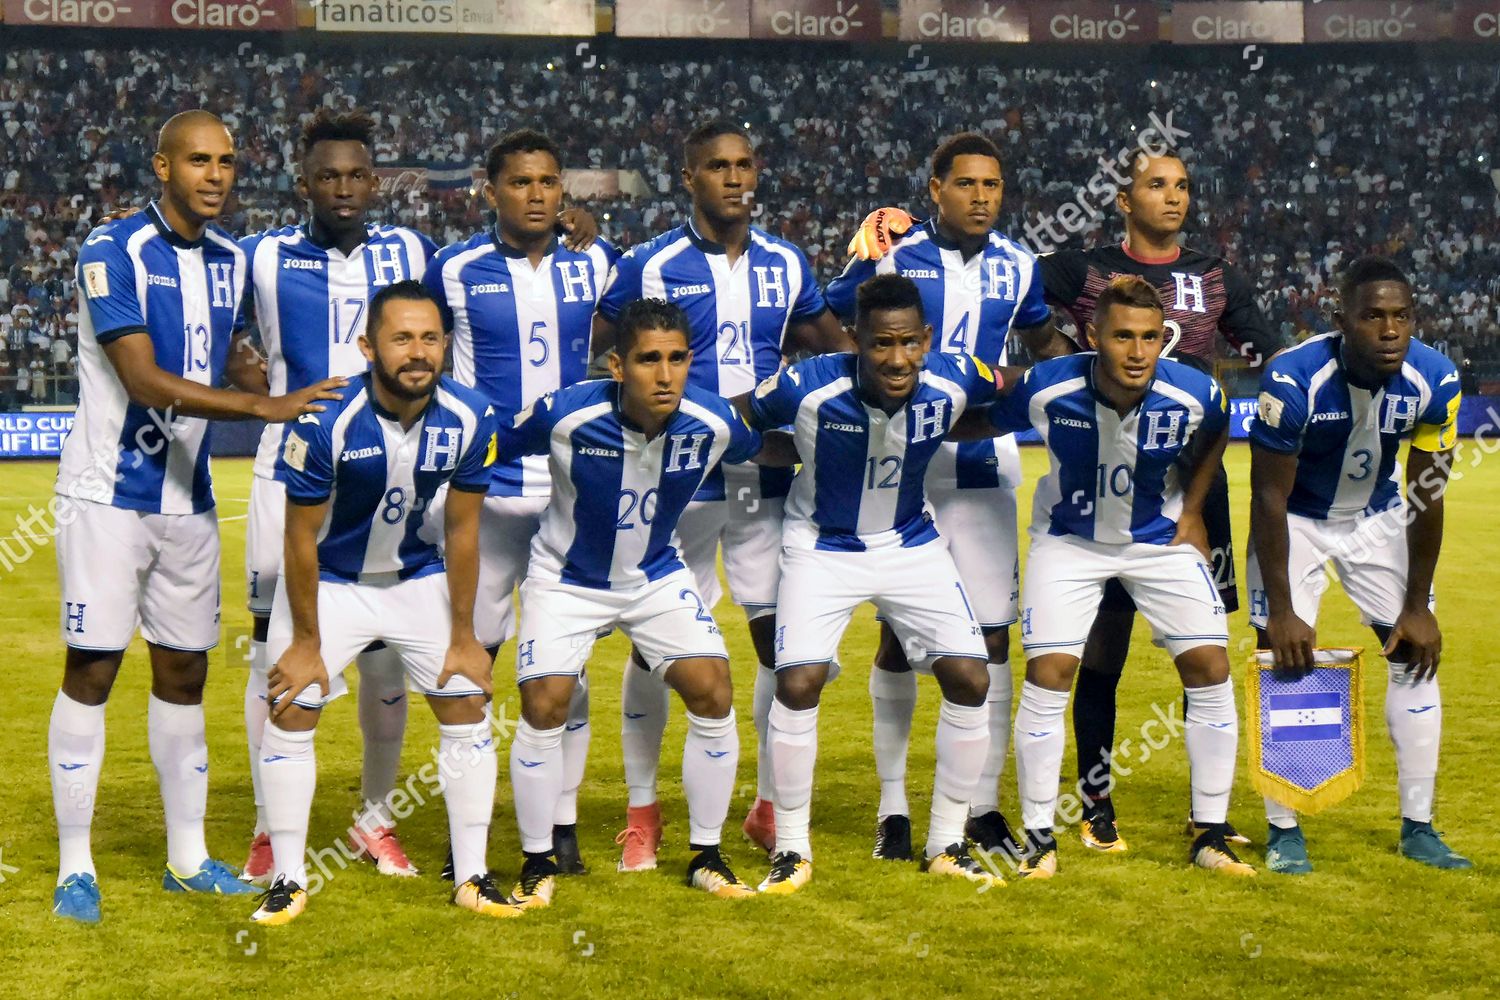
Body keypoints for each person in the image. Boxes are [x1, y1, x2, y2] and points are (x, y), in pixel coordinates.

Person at [50, 110, 343, 924]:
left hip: (191, 501)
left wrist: (275, 374)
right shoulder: (112, 251)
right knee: (94, 670)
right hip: (108, 498)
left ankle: (187, 858)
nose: (216, 176)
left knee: (185, 675)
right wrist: (263, 402)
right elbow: (143, 377)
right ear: (163, 166)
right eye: (199, 161)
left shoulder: (230, 260)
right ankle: (77, 866)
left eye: (227, 162)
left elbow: (228, 347)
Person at [592, 119, 848, 869]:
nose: (734, 179)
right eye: (717, 167)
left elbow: (834, 354)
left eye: (744, 165)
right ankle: (644, 812)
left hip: (766, 482)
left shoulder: (787, 263)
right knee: (654, 647)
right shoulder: (650, 263)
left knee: (778, 642)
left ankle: (766, 806)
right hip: (681, 486)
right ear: (689, 177)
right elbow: (608, 355)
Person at [500, 298, 796, 911]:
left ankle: (707, 854)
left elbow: (757, 448)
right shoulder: (566, 415)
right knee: (545, 701)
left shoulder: (713, 422)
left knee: (713, 688)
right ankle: (536, 861)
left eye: (677, 359)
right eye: (648, 360)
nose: (664, 375)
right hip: (567, 578)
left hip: (655, 576)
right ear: (617, 365)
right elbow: (491, 445)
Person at [951, 275, 1249, 879]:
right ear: (1091, 336)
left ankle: (1210, 832)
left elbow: (1216, 430)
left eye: (1150, 337)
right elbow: (979, 420)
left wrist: (1192, 512)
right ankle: (1040, 838)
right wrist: (914, 427)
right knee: (1050, 672)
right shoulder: (1046, 386)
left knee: (1209, 666)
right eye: (1122, 337)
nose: (1139, 352)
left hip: (1158, 542)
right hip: (1069, 543)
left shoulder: (1195, 392)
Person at [829, 132, 1057, 861]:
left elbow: (1045, 341)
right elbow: (838, 315)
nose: (982, 197)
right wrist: (861, 250)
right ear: (935, 189)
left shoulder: (1020, 265)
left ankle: (983, 806)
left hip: (985, 467)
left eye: (992, 184)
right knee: (900, 638)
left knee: (992, 638)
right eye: (966, 184)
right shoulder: (894, 255)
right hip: (906, 468)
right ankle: (894, 809)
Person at [250, 281, 505, 924]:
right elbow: (299, 537)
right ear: (368, 346)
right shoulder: (324, 420)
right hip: (331, 583)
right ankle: (286, 877)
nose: (417, 352)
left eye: (429, 338)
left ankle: (473, 875)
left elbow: (464, 530)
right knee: (292, 705)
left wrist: (465, 634)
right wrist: (307, 645)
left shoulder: (473, 417)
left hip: (416, 580)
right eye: (401, 338)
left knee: (467, 699)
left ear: (445, 345)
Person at [742, 274, 1007, 894]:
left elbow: (1013, 394)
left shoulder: (954, 375)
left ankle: (946, 841)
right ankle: (792, 848)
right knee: (798, 681)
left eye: (909, 343)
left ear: (928, 338)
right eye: (881, 344)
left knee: (971, 678)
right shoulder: (807, 386)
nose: (897, 359)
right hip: (821, 545)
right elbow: (741, 420)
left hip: (911, 542)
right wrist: (788, 453)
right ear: (855, 340)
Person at [238, 109, 437, 882]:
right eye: (329, 176)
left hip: (389, 471)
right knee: (273, 654)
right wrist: (254, 383)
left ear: (376, 180)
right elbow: (207, 308)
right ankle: (267, 824)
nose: (345, 188)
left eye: (358, 174)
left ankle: (375, 819)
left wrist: (579, 228)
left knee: (386, 658)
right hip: (285, 470)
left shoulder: (411, 250)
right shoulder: (260, 257)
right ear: (304, 183)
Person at [424, 128, 617, 875]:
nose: (537, 195)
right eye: (521, 183)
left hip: (571, 492)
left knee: (566, 665)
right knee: (469, 662)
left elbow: (626, 332)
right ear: (489, 189)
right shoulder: (455, 269)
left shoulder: (595, 263)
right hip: (486, 493)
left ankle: (561, 825)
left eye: (548, 182)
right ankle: (465, 834)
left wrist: (600, 237)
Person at [1247, 256, 1471, 873]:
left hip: (1378, 520)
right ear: (1341, 318)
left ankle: (1419, 827)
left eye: (1401, 316)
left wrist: (1417, 604)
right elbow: (1267, 499)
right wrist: (1284, 610)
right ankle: (1283, 830)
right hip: (1295, 521)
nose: (1390, 329)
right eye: (1373, 316)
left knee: (1417, 658)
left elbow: (1428, 495)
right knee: (1284, 664)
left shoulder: (1436, 379)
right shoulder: (1292, 381)